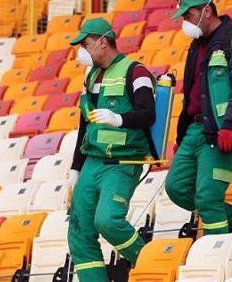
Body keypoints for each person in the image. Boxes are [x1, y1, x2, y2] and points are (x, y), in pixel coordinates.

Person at [66, 17, 156, 281]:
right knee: (79, 231)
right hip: (92, 161)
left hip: (122, 163)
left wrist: (119, 119)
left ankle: (153, 267)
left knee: (108, 221)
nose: (81, 50)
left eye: (85, 44)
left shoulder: (135, 72)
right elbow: (85, 125)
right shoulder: (91, 76)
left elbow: (148, 115)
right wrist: (75, 168)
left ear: (102, 42)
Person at [165, 0, 232, 237]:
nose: (185, 22)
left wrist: (230, 126)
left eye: (188, 15)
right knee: (176, 188)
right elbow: (192, 94)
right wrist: (181, 135)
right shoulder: (196, 47)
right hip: (194, 130)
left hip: (221, 131)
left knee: (207, 197)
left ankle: (216, 252)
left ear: (207, 11)